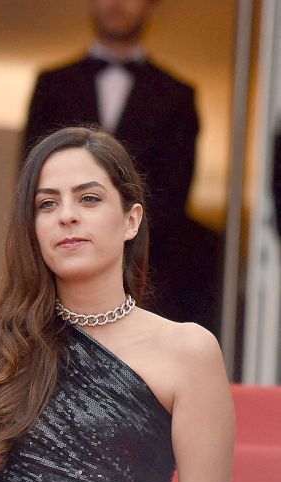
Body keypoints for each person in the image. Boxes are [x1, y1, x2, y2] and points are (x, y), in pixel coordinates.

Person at [0, 127, 234, 482]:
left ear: (131, 220)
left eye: (89, 198)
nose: (67, 216)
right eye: (47, 204)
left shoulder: (187, 352)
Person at [23, 0, 219, 333]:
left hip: (148, 276)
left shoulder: (177, 96)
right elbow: (32, 183)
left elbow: (173, 197)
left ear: (152, 8)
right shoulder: (52, 85)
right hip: (58, 280)